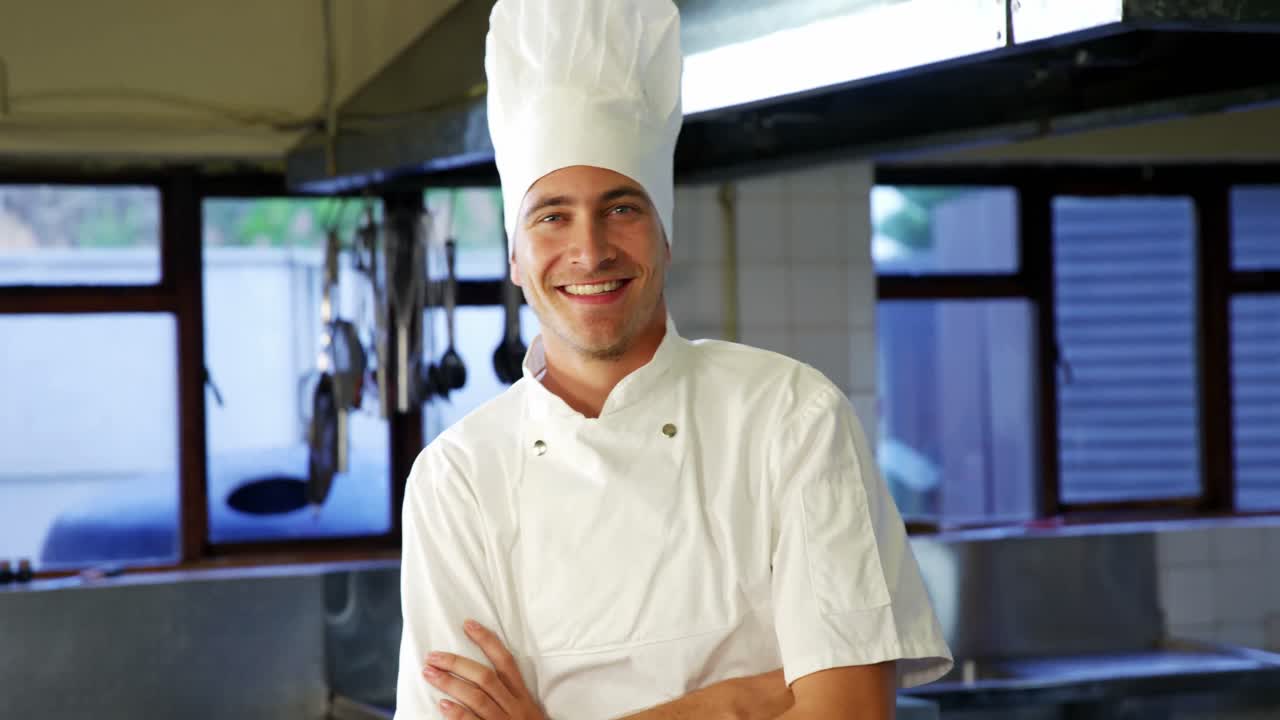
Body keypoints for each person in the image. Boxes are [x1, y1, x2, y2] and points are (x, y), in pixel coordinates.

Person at [394, 1, 953, 718]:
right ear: (514, 254)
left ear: (665, 237)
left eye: (622, 208)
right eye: (552, 215)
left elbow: (847, 712)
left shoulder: (790, 416)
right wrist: (751, 699)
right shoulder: (457, 479)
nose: (590, 250)